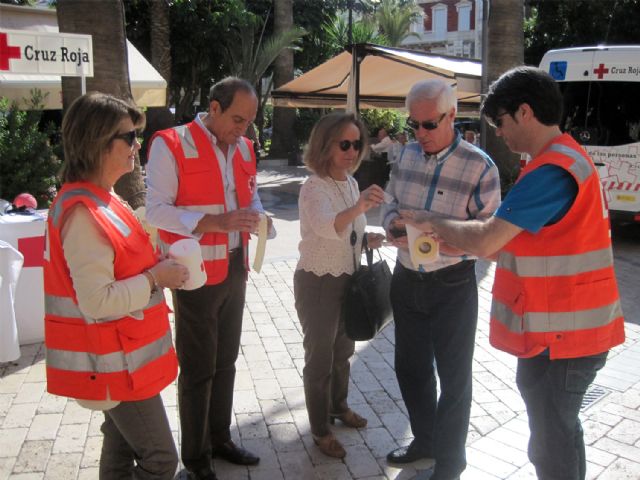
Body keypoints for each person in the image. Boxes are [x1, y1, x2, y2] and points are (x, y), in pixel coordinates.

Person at [400, 66, 626, 480]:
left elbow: (489, 237)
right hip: (563, 332)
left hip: (565, 336)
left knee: (551, 444)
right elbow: (510, 243)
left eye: (500, 122)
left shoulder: (552, 170)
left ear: (524, 112)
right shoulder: (562, 159)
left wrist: (434, 222)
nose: (499, 133)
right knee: (560, 434)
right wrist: (460, 243)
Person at [44, 92, 189, 479]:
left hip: (123, 361)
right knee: (161, 460)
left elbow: (121, 265)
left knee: (120, 445)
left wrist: (157, 263)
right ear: (98, 141)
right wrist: (156, 278)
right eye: (129, 137)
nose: (136, 146)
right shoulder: (84, 213)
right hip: (115, 365)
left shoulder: (104, 198)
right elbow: (96, 301)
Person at [146, 77, 270, 480]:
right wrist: (216, 222)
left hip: (235, 267)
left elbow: (250, 194)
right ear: (213, 108)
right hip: (194, 273)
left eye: (250, 121)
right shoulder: (171, 143)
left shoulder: (245, 147)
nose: (244, 129)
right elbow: (156, 210)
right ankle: (197, 460)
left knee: (226, 361)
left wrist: (259, 218)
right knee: (198, 368)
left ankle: (220, 439)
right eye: (237, 119)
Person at [382, 79, 501, 480]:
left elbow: (490, 235)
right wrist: (393, 225)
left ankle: (450, 464)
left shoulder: (480, 166)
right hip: (406, 278)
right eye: (413, 124)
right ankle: (425, 442)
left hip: (452, 284)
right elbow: (390, 202)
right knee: (410, 368)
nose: (419, 133)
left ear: (452, 115)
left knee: (454, 378)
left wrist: (448, 241)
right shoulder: (406, 155)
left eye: (429, 124)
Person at [294, 112, 386, 459]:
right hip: (318, 280)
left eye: (357, 144)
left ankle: (339, 406)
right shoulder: (314, 186)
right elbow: (324, 226)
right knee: (320, 358)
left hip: (348, 278)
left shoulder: (349, 182)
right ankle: (320, 430)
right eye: (344, 144)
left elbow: (348, 231)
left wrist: (366, 238)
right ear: (325, 145)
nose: (352, 151)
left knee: (343, 352)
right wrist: (360, 207)